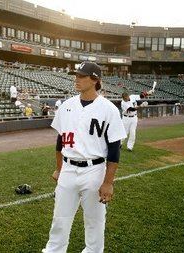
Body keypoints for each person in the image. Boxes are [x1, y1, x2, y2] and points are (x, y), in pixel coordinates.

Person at [42, 61, 126, 253]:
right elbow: (60, 140)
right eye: (76, 75)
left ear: (95, 79)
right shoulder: (66, 105)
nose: (76, 79)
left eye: (81, 76)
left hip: (94, 170)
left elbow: (114, 149)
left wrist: (108, 182)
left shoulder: (109, 109)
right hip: (68, 169)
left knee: (95, 222)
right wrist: (58, 168)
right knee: (60, 220)